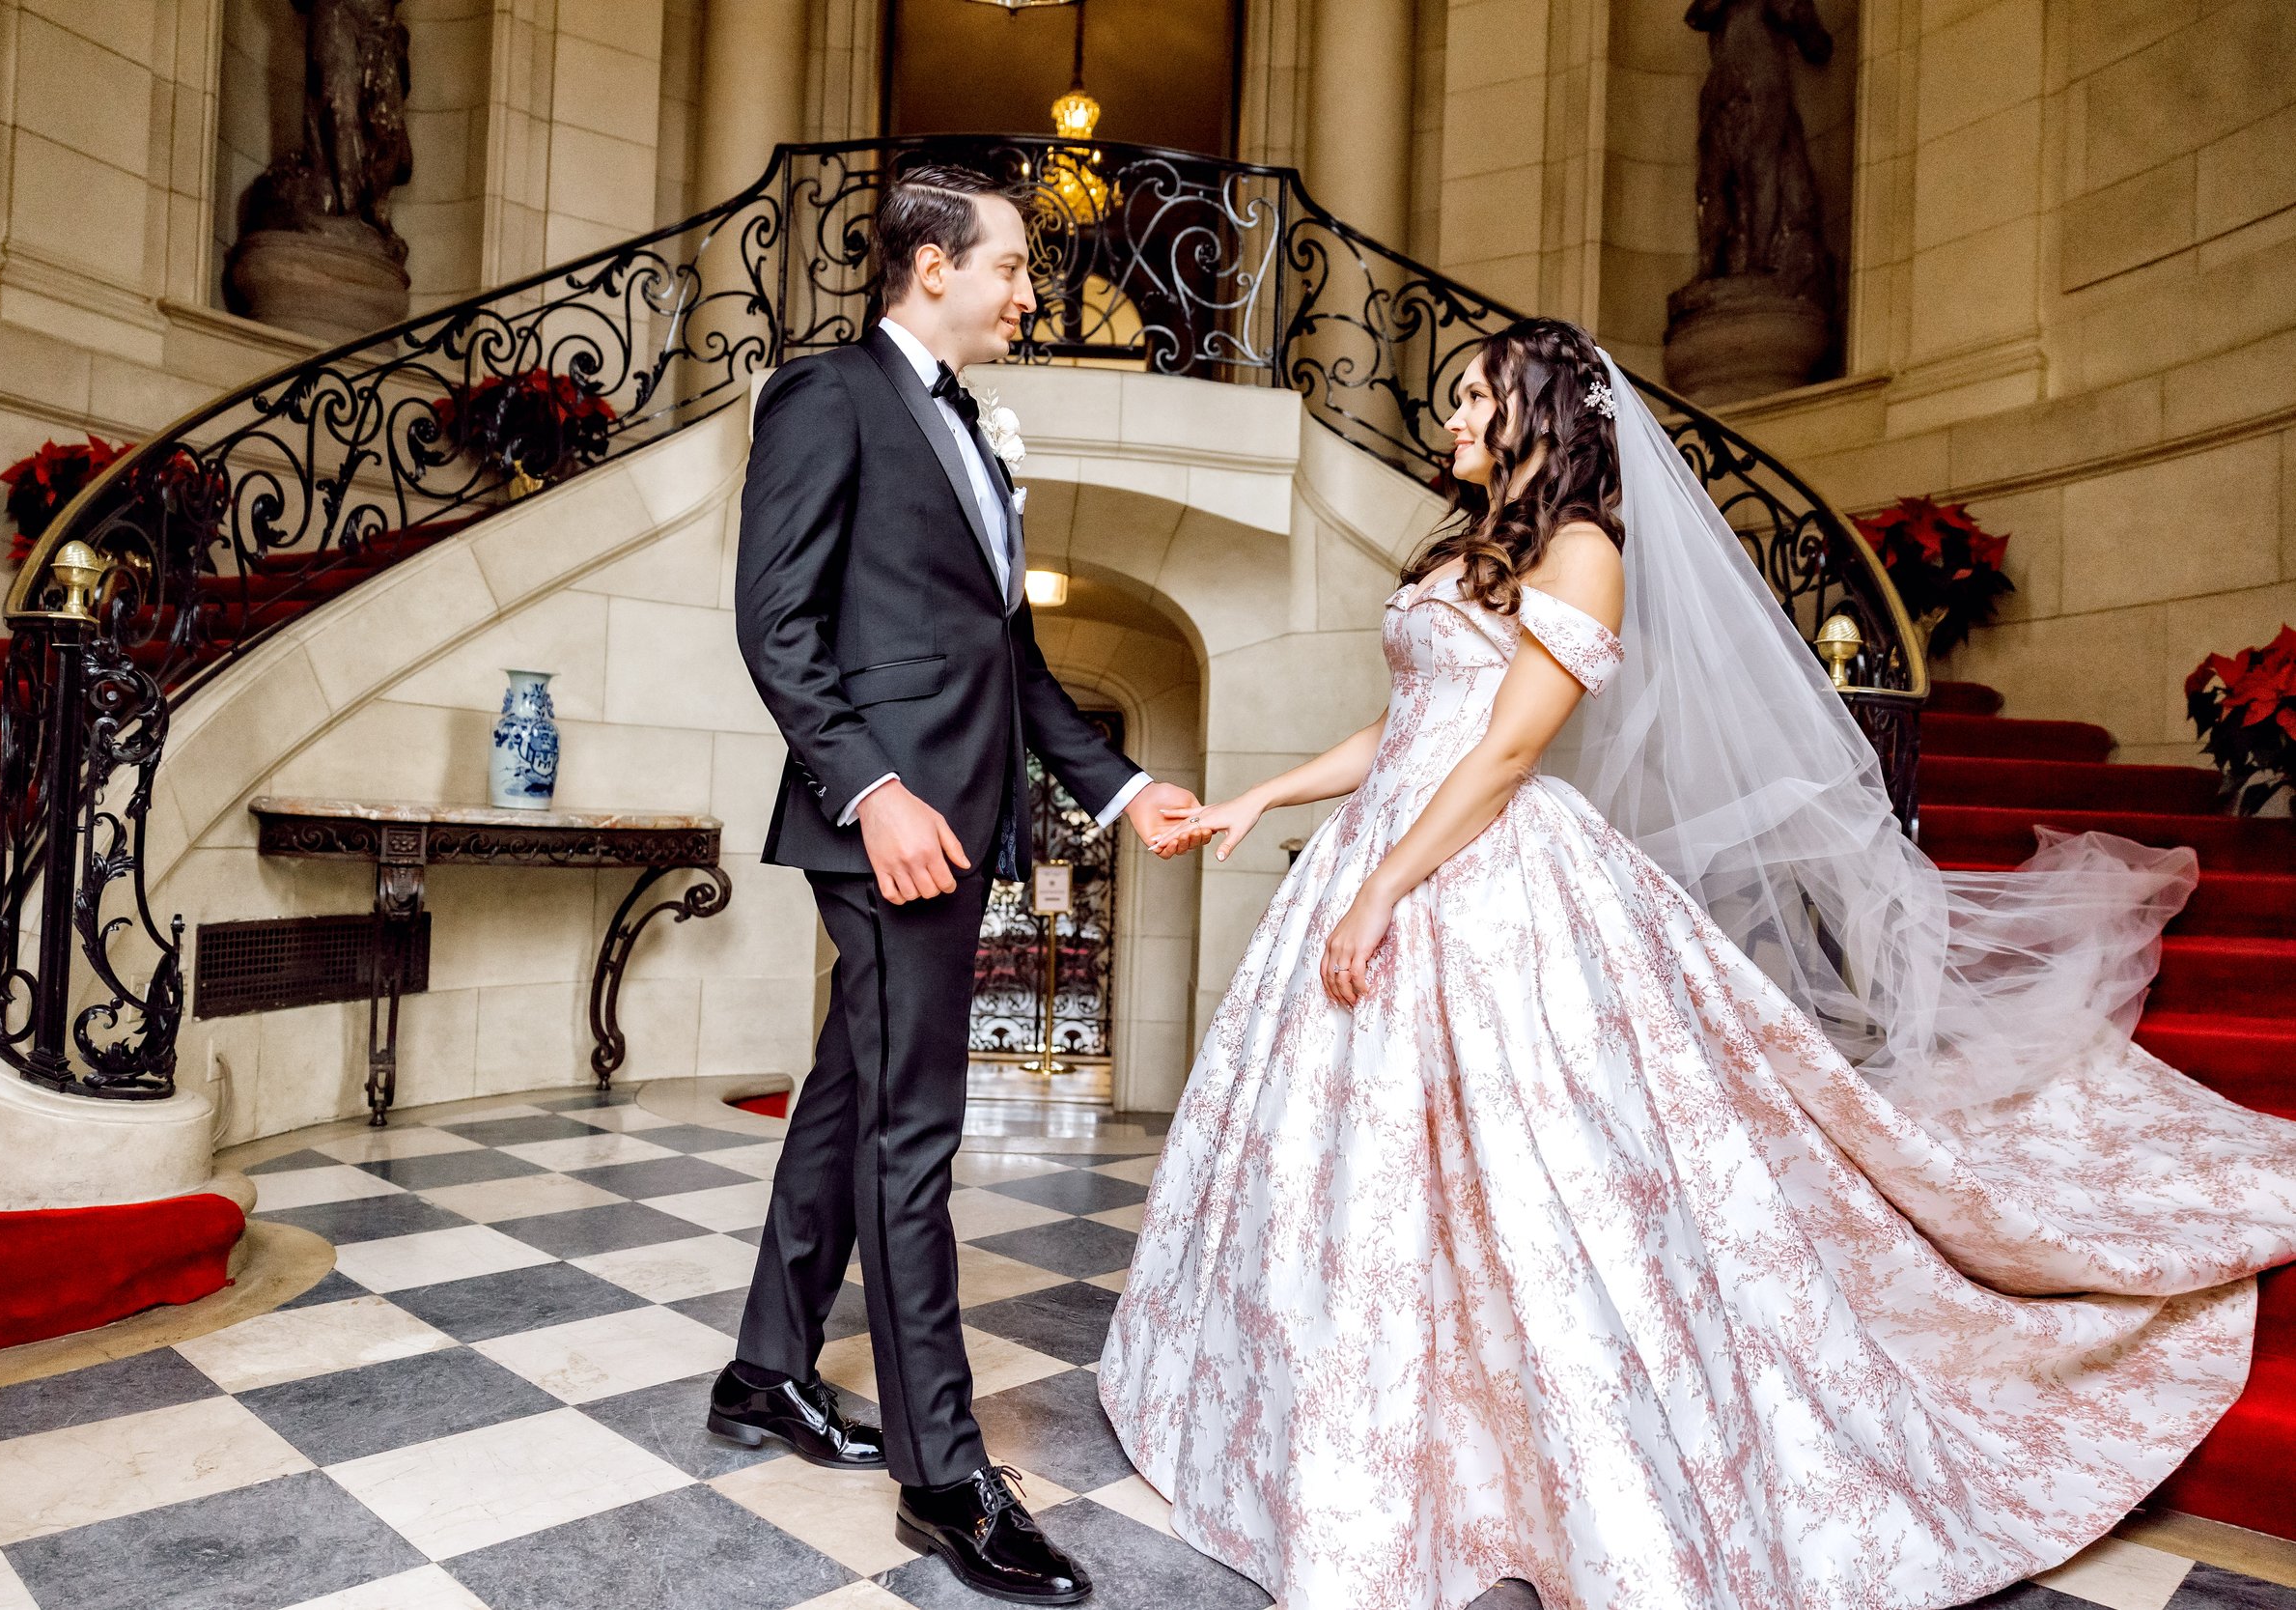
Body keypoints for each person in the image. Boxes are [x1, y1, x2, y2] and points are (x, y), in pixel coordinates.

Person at [1098, 317, 2296, 1610]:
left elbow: (1501, 754)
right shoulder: (1465, 550)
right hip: (1388, 844)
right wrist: (1263, 800)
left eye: (1471, 399)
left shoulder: (1584, 551)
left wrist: (1383, 889)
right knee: (1367, 1169)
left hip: (1486, 874)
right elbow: (1406, 727)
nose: (1448, 418)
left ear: (1536, 417)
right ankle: (1382, 1433)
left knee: (1545, 1176)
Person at [715, 163, 1203, 1604]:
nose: (1029, 292)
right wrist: (870, 794)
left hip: (954, 821)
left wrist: (1123, 789)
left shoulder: (977, 435)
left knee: (856, 1099)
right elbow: (775, 621)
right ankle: (945, 1475)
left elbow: (1010, 663)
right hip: (890, 831)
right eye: (1010, 266)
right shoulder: (828, 397)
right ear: (932, 266)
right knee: (914, 1135)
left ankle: (763, 1371)